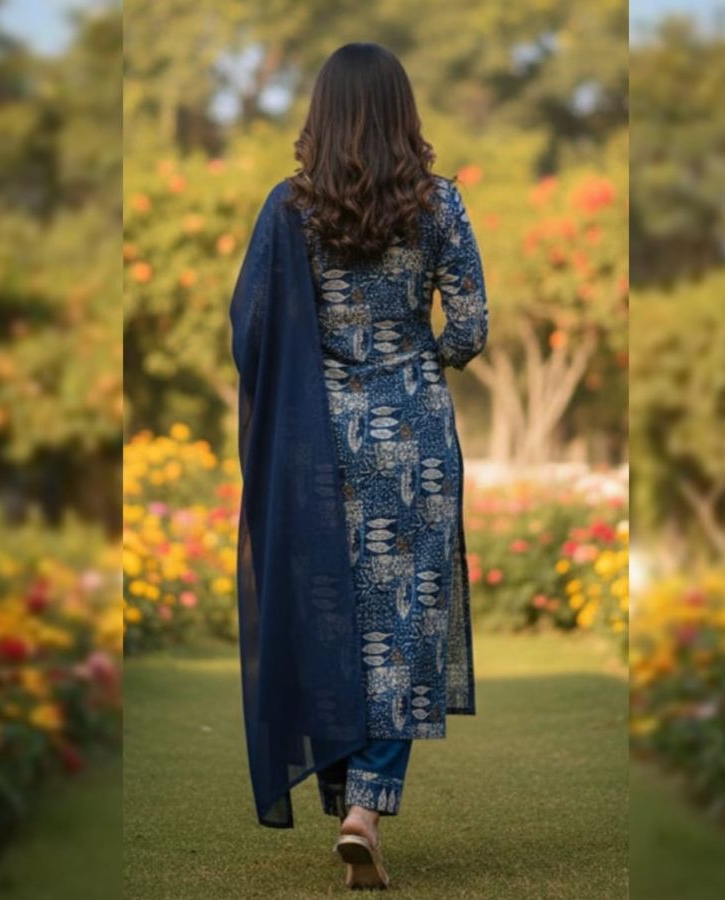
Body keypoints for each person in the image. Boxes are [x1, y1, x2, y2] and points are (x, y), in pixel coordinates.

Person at [230, 41, 488, 891]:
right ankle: (365, 811)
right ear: (403, 113)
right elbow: (471, 328)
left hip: (320, 444)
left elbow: (252, 329)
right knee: (405, 627)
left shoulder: (290, 209)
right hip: (415, 436)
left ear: (323, 114)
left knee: (331, 618)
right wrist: (422, 359)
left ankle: (348, 803)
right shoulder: (440, 205)